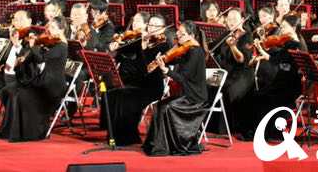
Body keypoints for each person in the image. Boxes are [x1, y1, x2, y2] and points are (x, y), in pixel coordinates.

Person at [0, 16, 69, 142]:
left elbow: (41, 58)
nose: (48, 30)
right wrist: (21, 47)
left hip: (51, 87)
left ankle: (29, 132)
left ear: (61, 30)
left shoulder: (62, 46)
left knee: (20, 95)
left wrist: (33, 46)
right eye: (48, 27)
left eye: (52, 27)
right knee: (8, 90)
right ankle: (11, 129)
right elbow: (33, 56)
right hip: (41, 81)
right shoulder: (50, 42)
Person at [101, 13, 170, 145]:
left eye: (156, 26)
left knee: (128, 99)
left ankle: (128, 137)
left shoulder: (164, 45)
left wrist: (144, 47)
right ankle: (114, 136)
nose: (152, 28)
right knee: (115, 93)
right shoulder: (142, 40)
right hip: (138, 83)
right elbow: (124, 49)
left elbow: (148, 67)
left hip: (152, 87)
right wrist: (115, 46)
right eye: (150, 25)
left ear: (163, 28)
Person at [143, 20, 207, 156]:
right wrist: (161, 60)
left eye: (182, 34)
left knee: (167, 107)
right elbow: (173, 59)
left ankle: (170, 145)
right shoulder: (185, 50)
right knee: (159, 105)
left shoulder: (196, 52)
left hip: (194, 97)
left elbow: (183, 78)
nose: (178, 37)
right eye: (178, 34)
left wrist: (166, 70)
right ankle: (156, 144)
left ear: (191, 36)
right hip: (186, 94)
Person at [247, 13, 305, 140]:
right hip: (281, 81)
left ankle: (265, 132)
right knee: (256, 95)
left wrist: (262, 51)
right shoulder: (289, 43)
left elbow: (278, 60)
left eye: (284, 27)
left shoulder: (296, 45)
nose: (281, 29)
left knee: (262, 97)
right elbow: (276, 58)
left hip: (289, 86)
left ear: (293, 28)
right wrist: (261, 49)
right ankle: (263, 131)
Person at [211, 8, 253, 139]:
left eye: (234, 19)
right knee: (210, 86)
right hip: (227, 72)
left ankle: (228, 128)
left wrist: (233, 46)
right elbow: (212, 48)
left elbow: (241, 60)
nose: (231, 21)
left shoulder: (247, 36)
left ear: (242, 20)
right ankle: (212, 127)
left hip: (242, 74)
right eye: (229, 19)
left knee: (226, 89)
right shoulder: (226, 34)